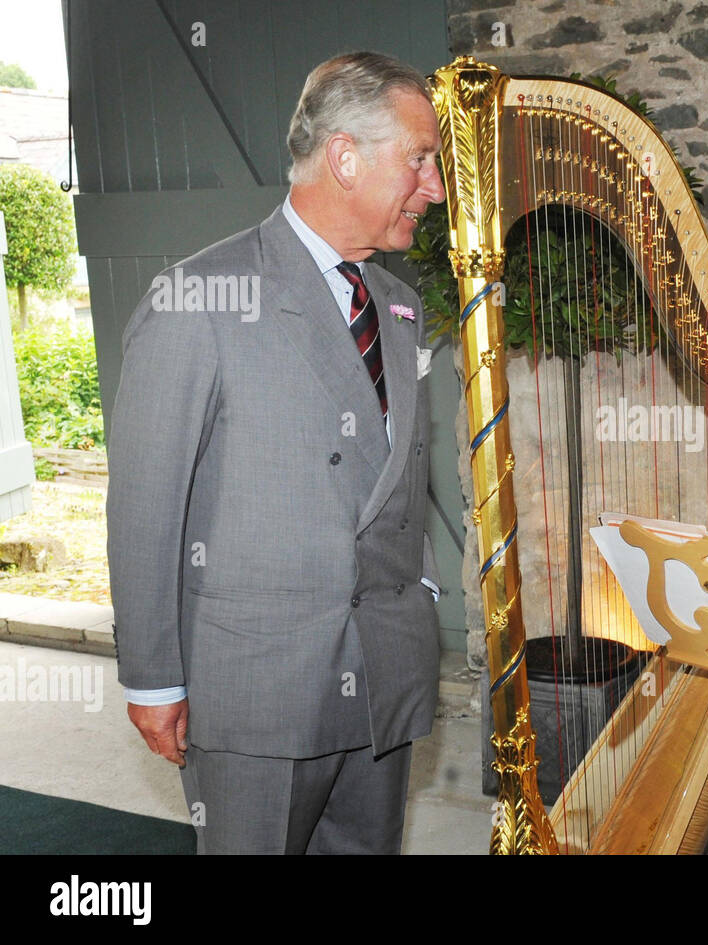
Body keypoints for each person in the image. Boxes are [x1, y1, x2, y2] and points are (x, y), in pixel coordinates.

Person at [106, 51, 446, 854]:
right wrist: (153, 677)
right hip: (260, 690)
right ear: (345, 156)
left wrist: (422, 585)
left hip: (384, 675)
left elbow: (399, 479)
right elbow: (146, 507)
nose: (435, 188)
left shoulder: (398, 305)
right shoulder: (198, 299)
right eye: (421, 160)